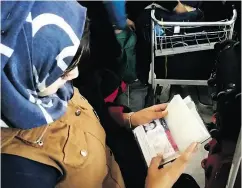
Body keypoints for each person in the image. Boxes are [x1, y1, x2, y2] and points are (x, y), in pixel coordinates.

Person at [1, 1, 198, 188]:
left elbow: (87, 112)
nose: (74, 75)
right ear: (18, 72)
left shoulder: (45, 87)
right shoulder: (19, 170)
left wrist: (128, 119)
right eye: (62, 71)